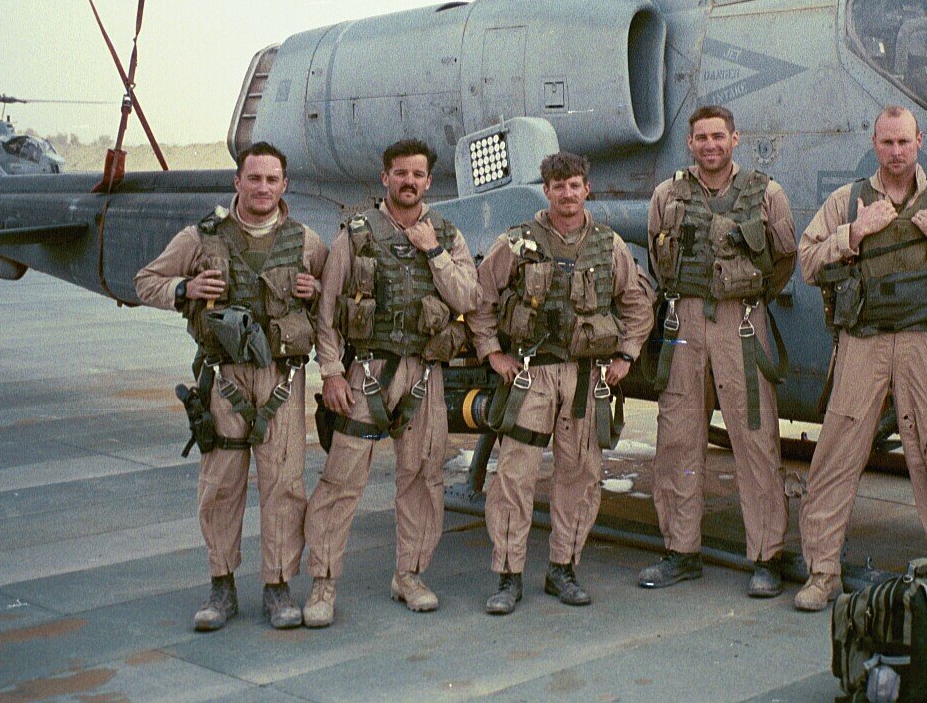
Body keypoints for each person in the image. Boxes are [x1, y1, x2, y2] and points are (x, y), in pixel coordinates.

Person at [793, 106, 927, 610]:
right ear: (874, 143)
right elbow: (806, 262)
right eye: (887, 143)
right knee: (836, 456)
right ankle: (822, 572)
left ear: (919, 141)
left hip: (924, 345)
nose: (896, 152)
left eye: (904, 142)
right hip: (863, 343)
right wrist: (854, 234)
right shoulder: (847, 201)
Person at [135, 141, 327, 632]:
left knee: (284, 485)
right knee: (220, 484)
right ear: (237, 182)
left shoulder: (306, 241)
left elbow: (337, 300)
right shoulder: (201, 238)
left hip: (282, 378)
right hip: (223, 378)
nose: (263, 188)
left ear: (284, 185)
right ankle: (222, 587)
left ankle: (278, 587)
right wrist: (185, 289)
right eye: (254, 178)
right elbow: (146, 281)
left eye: (272, 179)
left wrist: (317, 290)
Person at [300, 139, 480, 628]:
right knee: (341, 480)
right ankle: (323, 581)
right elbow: (329, 309)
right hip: (367, 374)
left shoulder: (445, 233)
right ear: (385, 178)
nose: (409, 182)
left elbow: (469, 295)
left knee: (423, 478)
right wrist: (332, 372)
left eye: (418, 175)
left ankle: (410, 574)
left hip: (424, 375)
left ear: (428, 181)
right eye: (400, 173)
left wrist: (435, 252)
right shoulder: (356, 236)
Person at [468, 151, 655, 614]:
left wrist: (626, 357)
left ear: (586, 189)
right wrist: (492, 353)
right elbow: (481, 297)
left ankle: (563, 568)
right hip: (531, 376)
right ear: (546, 191)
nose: (567, 195)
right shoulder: (517, 243)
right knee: (515, 475)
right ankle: (508, 575)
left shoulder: (608, 246)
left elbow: (637, 305)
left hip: (584, 379)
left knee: (581, 474)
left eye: (575, 185)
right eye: (558, 186)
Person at [642, 105, 798, 597]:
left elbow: (784, 257)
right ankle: (681, 550)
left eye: (718, 137)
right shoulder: (668, 194)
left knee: (754, 438)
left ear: (736, 138)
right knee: (678, 437)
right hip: (684, 320)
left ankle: (766, 555)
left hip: (742, 322)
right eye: (701, 138)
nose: (710, 145)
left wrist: (746, 298)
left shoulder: (767, 194)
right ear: (690, 144)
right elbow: (654, 250)